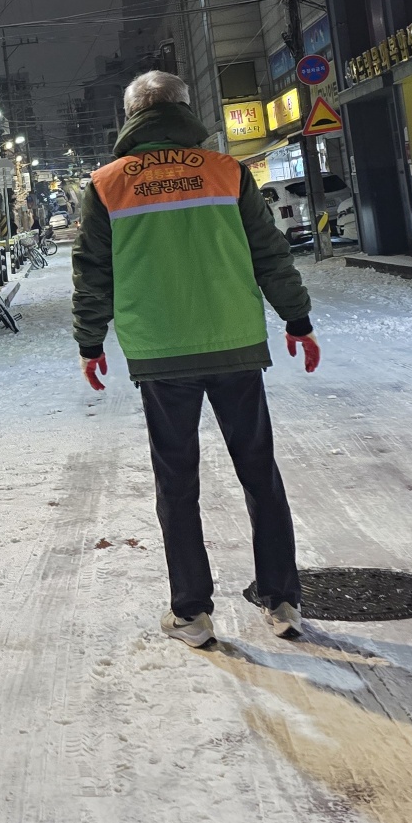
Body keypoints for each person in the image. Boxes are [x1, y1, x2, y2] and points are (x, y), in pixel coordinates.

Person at [70, 71, 319, 649]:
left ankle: (192, 613)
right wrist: (297, 320)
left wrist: (90, 341)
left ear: (131, 117)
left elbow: (93, 272)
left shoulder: (108, 184)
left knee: (176, 481)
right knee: (259, 470)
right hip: (234, 344)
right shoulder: (227, 172)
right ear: (186, 112)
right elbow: (269, 252)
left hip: (162, 353)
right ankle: (281, 599)